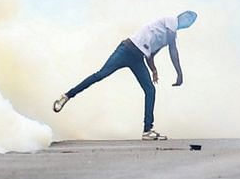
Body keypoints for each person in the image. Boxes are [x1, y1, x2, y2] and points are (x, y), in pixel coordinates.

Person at [53, 11, 198, 141]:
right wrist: (179, 73)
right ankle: (67, 96)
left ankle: (147, 130)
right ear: (181, 15)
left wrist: (153, 70)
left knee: (150, 90)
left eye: (192, 21)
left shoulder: (169, 37)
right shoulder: (171, 21)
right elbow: (173, 50)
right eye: (189, 17)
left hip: (137, 59)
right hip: (126, 50)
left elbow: (150, 54)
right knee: (100, 74)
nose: (189, 21)